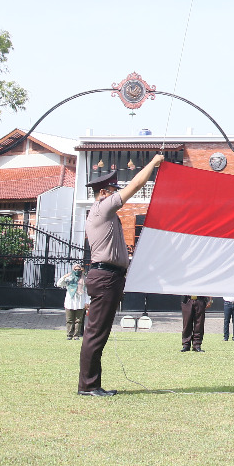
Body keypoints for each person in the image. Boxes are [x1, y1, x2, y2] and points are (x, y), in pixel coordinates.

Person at [77, 155, 163, 397]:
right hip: (105, 277)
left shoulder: (101, 212)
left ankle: (91, 383)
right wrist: (153, 163)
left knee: (98, 332)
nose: (117, 194)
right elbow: (135, 186)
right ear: (104, 192)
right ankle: (89, 385)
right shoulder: (102, 208)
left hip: (109, 277)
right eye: (114, 190)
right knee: (95, 332)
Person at [58, 262, 88, 340]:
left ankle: (76, 335)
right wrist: (64, 276)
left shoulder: (84, 279)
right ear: (73, 270)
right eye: (76, 269)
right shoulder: (69, 278)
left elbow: (86, 292)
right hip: (70, 301)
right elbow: (59, 284)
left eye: (79, 269)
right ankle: (69, 334)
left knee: (78, 320)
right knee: (69, 319)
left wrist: (87, 302)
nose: (77, 271)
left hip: (80, 301)